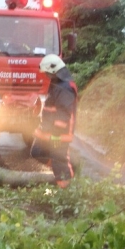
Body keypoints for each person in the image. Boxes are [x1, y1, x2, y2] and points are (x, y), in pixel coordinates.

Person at [31, 54, 78, 188]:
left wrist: (56, 134)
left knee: (59, 160)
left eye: (47, 73)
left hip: (58, 133)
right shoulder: (56, 83)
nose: (46, 75)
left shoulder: (66, 87)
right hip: (48, 130)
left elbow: (64, 113)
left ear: (53, 70)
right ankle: (65, 169)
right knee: (37, 152)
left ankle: (66, 190)